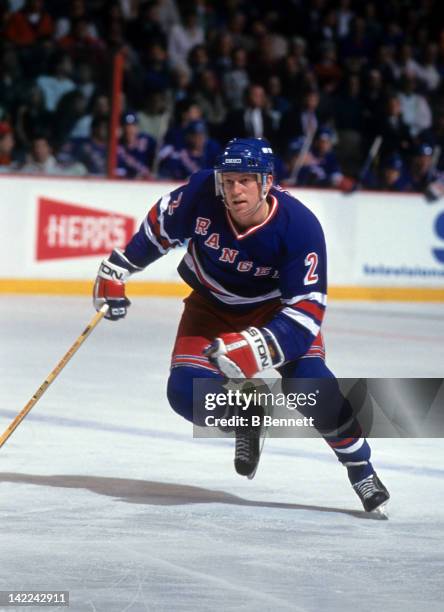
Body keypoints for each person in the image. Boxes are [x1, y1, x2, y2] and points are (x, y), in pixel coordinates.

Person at [93, 137, 390, 514]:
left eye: (246, 180)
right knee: (184, 392)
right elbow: (160, 227)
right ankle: (245, 414)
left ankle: (360, 467)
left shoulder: (299, 227)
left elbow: (306, 313)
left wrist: (259, 346)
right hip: (210, 306)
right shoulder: (201, 192)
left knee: (312, 384)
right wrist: (120, 266)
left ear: (267, 182)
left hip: (275, 313)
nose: (235, 190)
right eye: (229, 180)